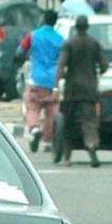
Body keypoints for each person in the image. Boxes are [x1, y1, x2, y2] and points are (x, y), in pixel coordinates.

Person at [55, 15, 108, 168]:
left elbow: (61, 65)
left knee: (68, 123)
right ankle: (91, 146)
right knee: (89, 121)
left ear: (76, 27)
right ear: (87, 27)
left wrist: (55, 85)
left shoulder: (69, 44)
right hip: (89, 89)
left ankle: (67, 158)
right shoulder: (94, 43)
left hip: (72, 89)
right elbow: (104, 66)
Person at [18, 9, 64, 153]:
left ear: (43, 19)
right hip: (53, 81)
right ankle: (47, 141)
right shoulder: (60, 39)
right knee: (51, 112)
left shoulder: (33, 35)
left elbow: (19, 52)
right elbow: (64, 60)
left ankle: (35, 128)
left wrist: (26, 58)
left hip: (36, 79)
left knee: (32, 107)